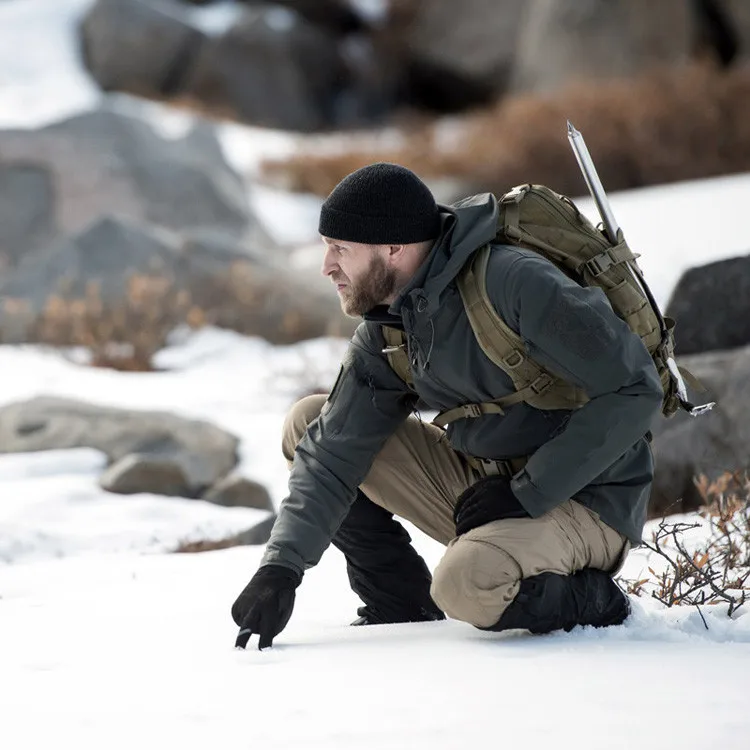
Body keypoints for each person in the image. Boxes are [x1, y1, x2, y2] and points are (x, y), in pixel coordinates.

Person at [231, 163, 663, 649]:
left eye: (340, 249)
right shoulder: (388, 325)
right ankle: (397, 600)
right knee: (308, 423)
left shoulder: (517, 283)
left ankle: (601, 601)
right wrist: (281, 569)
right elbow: (332, 452)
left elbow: (635, 390)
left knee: (466, 585)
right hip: (487, 492)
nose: (326, 266)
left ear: (393, 248)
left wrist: (530, 491)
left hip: (586, 500)